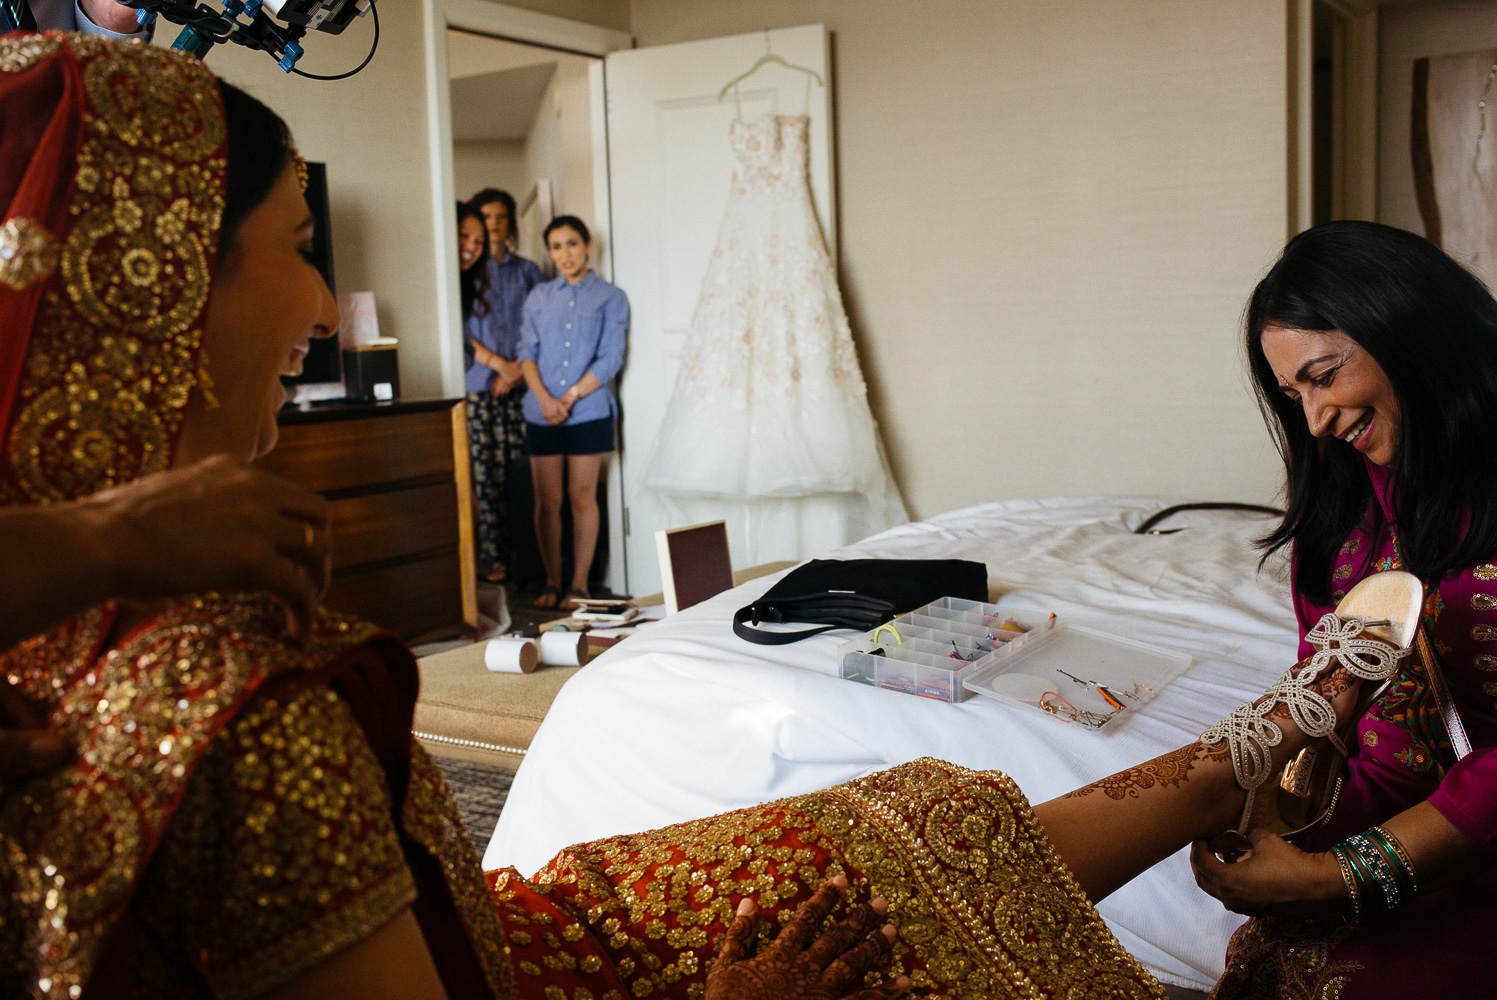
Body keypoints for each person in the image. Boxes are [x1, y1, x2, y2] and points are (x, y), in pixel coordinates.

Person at [6, 36, 1489, 1000]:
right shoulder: (225, 697)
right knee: (917, 848)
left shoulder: (87, 613)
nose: (325, 297)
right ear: (144, 294)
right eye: (292, 246)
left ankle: (1263, 731)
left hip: (517, 934)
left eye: (1330, 386)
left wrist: (106, 538)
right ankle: (1266, 729)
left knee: (928, 806)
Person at [516, 215, 626, 609]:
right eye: (557, 246)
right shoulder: (538, 298)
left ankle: (579, 585)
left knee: (582, 497)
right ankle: (551, 581)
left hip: (590, 411)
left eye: (572, 243)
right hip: (540, 412)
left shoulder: (611, 297)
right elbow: (525, 354)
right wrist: (546, 400)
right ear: (549, 252)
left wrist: (572, 396)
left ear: (587, 245)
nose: (566, 253)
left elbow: (610, 357)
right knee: (547, 501)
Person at [464, 189, 542, 584]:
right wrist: (497, 367)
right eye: (486, 217)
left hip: (522, 384)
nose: (493, 224)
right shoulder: (465, 271)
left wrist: (515, 372)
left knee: (521, 472)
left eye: (500, 217)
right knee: (485, 474)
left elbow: (537, 326)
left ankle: (526, 557)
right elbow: (461, 331)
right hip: (479, 386)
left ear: (510, 222)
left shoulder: (527, 271)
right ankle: (493, 556)